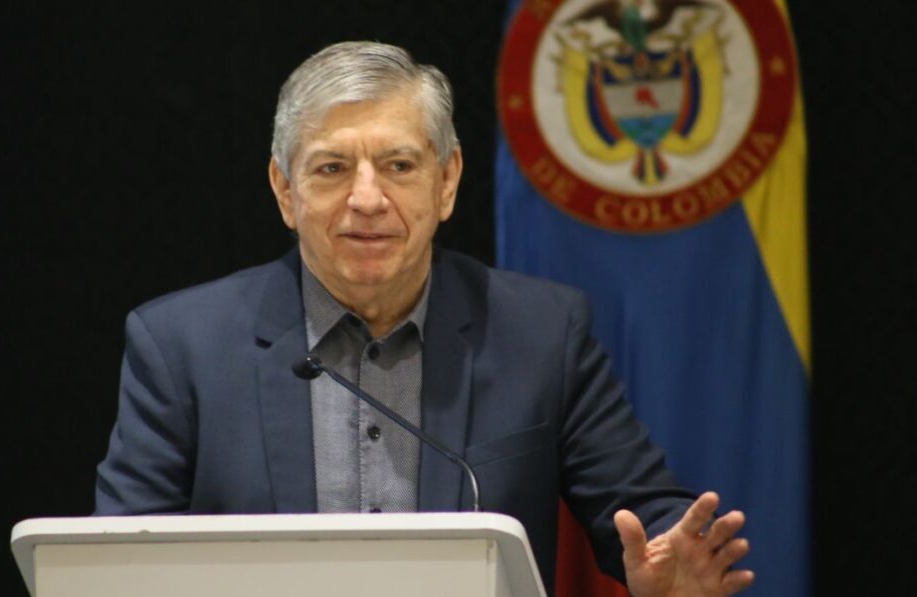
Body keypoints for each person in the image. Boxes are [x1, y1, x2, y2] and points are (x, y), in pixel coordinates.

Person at [95, 41, 753, 595]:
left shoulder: (543, 332)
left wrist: (670, 560)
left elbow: (640, 510)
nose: (367, 198)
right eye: (331, 168)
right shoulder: (182, 345)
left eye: (398, 164)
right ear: (284, 190)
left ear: (447, 181)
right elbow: (115, 566)